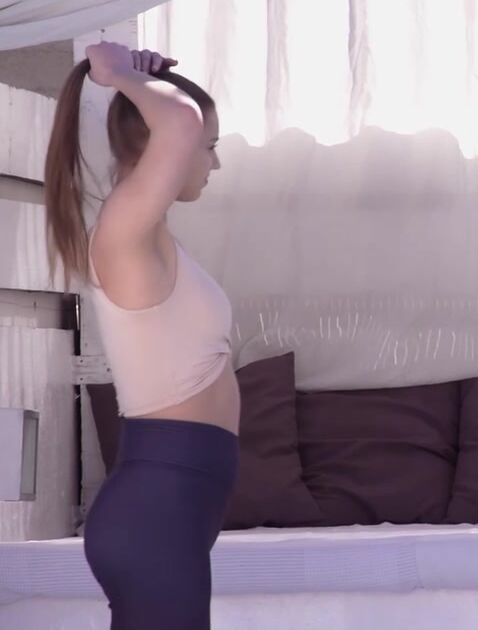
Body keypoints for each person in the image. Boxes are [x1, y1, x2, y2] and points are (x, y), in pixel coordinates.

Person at [44, 41, 235, 629]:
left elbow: (176, 122)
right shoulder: (123, 234)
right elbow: (180, 121)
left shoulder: (148, 236)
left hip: (172, 509)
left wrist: (139, 83)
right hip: (157, 512)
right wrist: (119, 72)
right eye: (210, 146)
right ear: (163, 143)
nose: (214, 164)